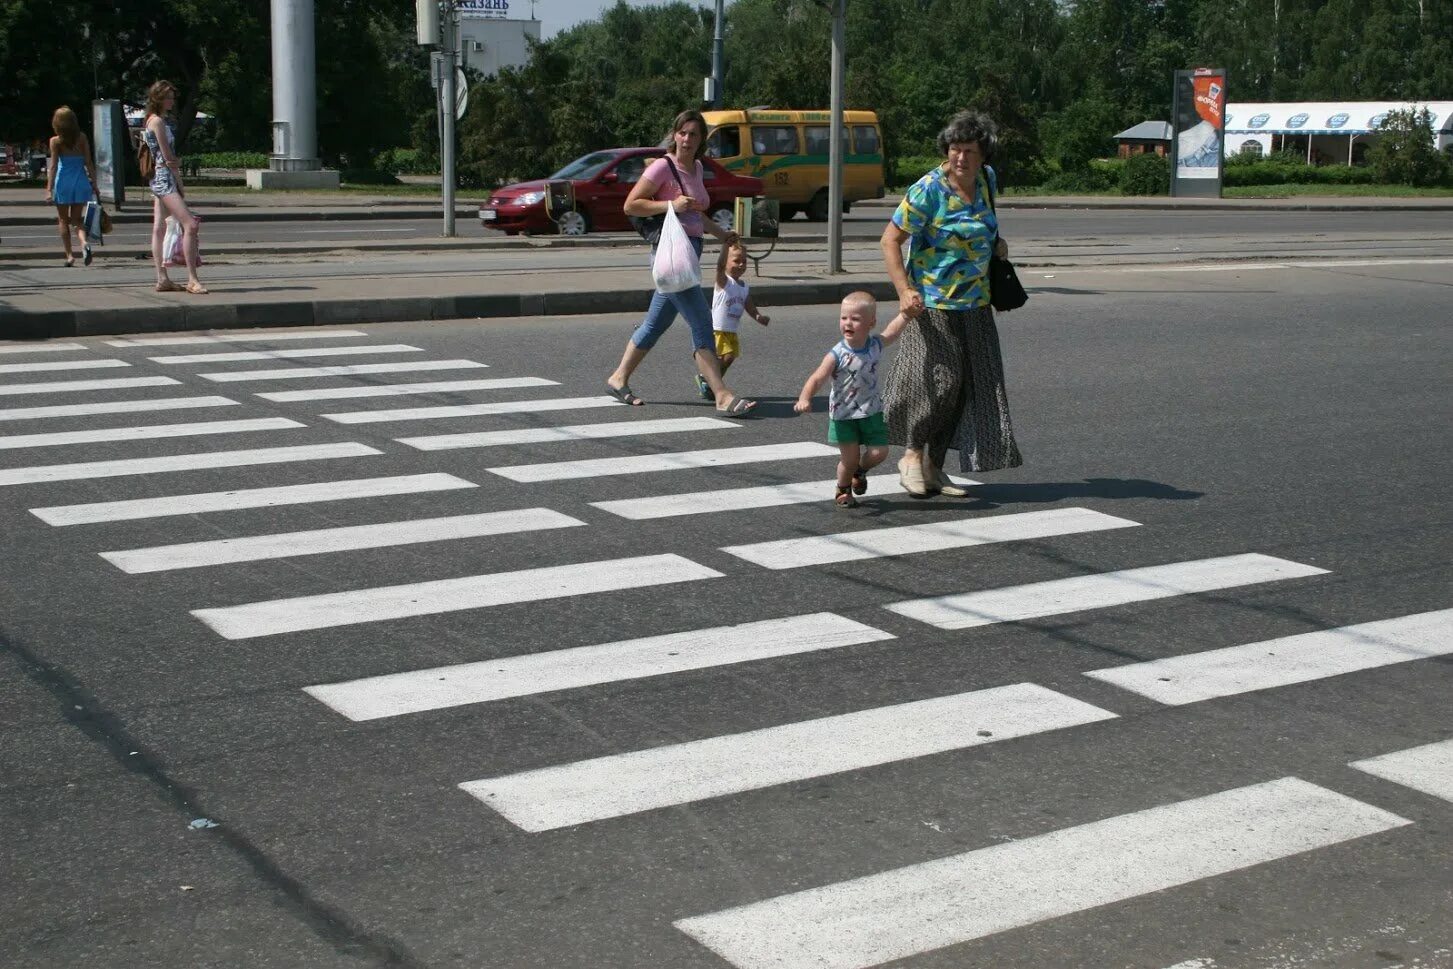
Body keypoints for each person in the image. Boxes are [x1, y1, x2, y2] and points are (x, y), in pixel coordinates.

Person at [879, 109, 1022, 498]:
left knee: (968, 387)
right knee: (941, 381)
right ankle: (911, 455)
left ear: (983, 155)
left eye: (969, 151)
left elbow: (983, 225)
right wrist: (904, 290)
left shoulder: (987, 182)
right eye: (955, 149)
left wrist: (996, 245)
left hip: (977, 303)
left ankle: (934, 466)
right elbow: (890, 240)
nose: (961, 157)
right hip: (933, 304)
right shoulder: (928, 189)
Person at [607, 109, 754, 416]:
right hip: (671, 257)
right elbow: (630, 204)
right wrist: (669, 204)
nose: (687, 139)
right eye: (683, 133)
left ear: (701, 140)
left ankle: (618, 378)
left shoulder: (697, 168)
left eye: (694, 134)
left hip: (690, 252)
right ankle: (722, 394)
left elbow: (695, 212)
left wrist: (721, 234)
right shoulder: (663, 167)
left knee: (655, 324)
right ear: (674, 134)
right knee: (701, 322)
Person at [794, 292, 914, 508]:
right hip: (844, 415)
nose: (848, 323)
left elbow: (891, 333)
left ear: (871, 323)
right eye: (844, 318)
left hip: (871, 411)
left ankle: (860, 470)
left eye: (855, 319)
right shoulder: (837, 354)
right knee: (848, 460)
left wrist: (905, 315)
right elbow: (817, 377)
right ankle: (843, 487)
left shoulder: (875, 345)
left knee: (879, 452)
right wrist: (805, 397)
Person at [142, 80, 207, 294]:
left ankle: (162, 278)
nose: (171, 101)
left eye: (172, 97)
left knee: (159, 227)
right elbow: (168, 156)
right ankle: (192, 279)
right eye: (168, 97)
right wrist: (178, 176)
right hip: (164, 177)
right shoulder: (158, 122)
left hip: (161, 176)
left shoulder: (154, 120)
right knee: (190, 224)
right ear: (158, 98)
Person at [694, 241, 770, 400]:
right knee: (726, 356)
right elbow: (719, 267)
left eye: (744, 261)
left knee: (729, 359)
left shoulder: (743, 287)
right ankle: (710, 381)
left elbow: (749, 305)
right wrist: (724, 246)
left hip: (731, 331)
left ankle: (709, 381)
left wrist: (758, 317)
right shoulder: (723, 282)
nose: (741, 265)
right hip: (718, 329)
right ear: (726, 262)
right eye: (736, 260)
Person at [44, 107, 98, 267]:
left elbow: (53, 166)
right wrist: (94, 183)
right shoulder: (82, 138)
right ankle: (84, 243)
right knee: (77, 220)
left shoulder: (55, 141)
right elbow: (88, 162)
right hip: (80, 181)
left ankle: (69, 256)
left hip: (63, 183)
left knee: (63, 220)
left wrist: (49, 189)